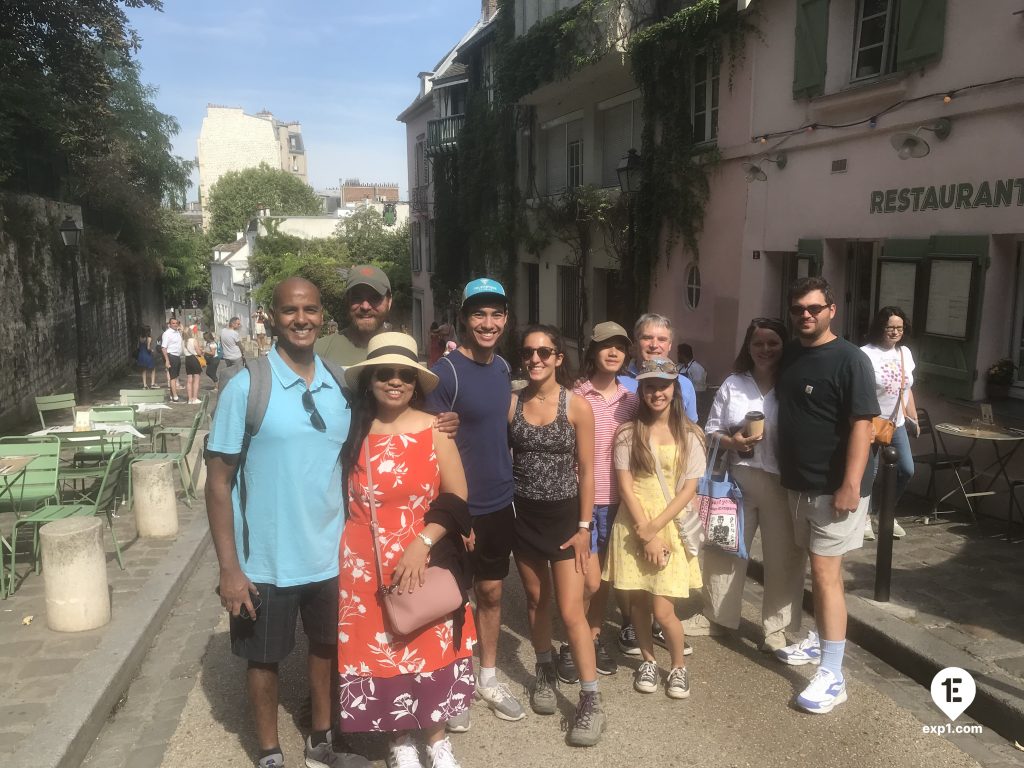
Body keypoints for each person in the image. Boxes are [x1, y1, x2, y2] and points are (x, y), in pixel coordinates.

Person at [204, 277, 369, 768]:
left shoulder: (339, 381)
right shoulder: (246, 386)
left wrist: (439, 420)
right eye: (291, 310)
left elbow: (381, 426)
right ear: (272, 316)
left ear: (323, 316)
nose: (302, 319)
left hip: (329, 553)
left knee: (326, 649)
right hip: (265, 559)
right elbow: (218, 483)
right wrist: (229, 568)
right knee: (264, 659)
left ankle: (322, 740)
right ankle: (270, 752)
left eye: (311, 310)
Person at [338, 333, 475, 768]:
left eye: (404, 375)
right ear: (370, 380)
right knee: (384, 647)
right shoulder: (351, 430)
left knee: (427, 641)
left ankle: (436, 739)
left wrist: (423, 542)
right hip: (363, 560)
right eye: (385, 374)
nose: (395, 382)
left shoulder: (435, 429)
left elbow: (457, 495)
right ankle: (399, 740)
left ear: (416, 382)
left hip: (424, 552)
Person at [424, 278, 526, 728]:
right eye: (479, 314)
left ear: (505, 319)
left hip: (500, 502)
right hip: (460, 506)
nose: (488, 323)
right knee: (454, 599)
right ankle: (456, 681)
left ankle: (487, 675)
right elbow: (428, 442)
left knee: (491, 591)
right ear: (464, 318)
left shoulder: (503, 366)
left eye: (496, 314)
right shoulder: (446, 372)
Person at [774, 276, 878, 715]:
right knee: (814, 567)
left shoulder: (851, 360)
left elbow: (863, 424)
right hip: (799, 483)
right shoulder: (793, 353)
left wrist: (850, 484)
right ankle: (820, 640)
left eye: (814, 308)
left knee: (826, 574)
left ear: (831, 310)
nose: (806, 316)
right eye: (799, 309)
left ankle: (834, 675)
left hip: (834, 487)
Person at [509, 325, 603, 746]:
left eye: (545, 352)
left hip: (566, 523)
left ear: (558, 358)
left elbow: (588, 472)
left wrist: (585, 528)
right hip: (524, 518)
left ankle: (590, 699)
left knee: (570, 611)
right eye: (529, 352)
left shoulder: (577, 406)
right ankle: (544, 672)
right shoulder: (512, 405)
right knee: (536, 600)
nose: (536, 359)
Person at [604, 358, 706, 700]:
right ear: (641, 390)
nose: (656, 392)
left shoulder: (690, 434)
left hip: (670, 524)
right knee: (637, 606)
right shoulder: (628, 433)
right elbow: (625, 486)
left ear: (674, 387)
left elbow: (688, 489)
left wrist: (656, 530)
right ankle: (648, 660)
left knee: (663, 609)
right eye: (649, 385)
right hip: (633, 524)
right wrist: (643, 531)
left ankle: (678, 666)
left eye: (663, 385)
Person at [702, 318, 806, 653]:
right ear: (748, 347)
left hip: (781, 483)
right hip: (737, 481)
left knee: (784, 558)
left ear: (783, 345)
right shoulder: (734, 384)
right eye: (758, 343)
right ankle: (718, 616)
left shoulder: (793, 382)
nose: (765, 350)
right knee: (725, 549)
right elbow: (710, 430)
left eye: (772, 343)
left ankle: (776, 629)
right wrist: (731, 442)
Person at [572, 322, 638, 677]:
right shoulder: (576, 396)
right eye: (605, 346)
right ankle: (574, 637)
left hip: (620, 501)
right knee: (589, 580)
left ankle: (593, 637)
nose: (613, 353)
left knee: (606, 580)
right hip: (585, 501)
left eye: (619, 347)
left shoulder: (632, 399)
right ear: (592, 352)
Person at [861, 306, 918, 541]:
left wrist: (912, 416)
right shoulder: (865, 353)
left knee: (906, 469)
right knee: (869, 473)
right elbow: (858, 390)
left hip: (897, 423)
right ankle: (863, 517)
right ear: (879, 328)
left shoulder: (905, 353)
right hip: (872, 421)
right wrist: (863, 421)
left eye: (900, 328)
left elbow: (907, 389)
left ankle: (885, 512)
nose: (895, 332)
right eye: (890, 327)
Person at [618, 314, 698, 421]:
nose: (654, 345)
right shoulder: (616, 382)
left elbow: (689, 430)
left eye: (662, 339)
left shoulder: (685, 385)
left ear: (670, 345)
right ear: (636, 342)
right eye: (647, 338)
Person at [316, 265, 393, 366]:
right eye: (357, 298)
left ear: (389, 302)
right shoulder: (319, 352)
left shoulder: (403, 351)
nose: (365, 307)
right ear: (347, 300)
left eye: (374, 298)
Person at [161, 317, 184, 402]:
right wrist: (167, 360)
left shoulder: (177, 332)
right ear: (169, 324)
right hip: (171, 355)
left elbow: (183, 330)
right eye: (173, 323)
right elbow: (163, 348)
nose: (175, 325)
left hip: (177, 356)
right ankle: (175, 396)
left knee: (175, 376)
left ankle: (172, 395)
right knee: (173, 377)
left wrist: (180, 327)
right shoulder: (167, 334)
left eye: (176, 323)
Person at [182, 330, 203, 404]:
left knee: (189, 380)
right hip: (194, 359)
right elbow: (198, 352)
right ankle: (195, 398)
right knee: (196, 380)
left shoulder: (183, 341)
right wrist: (201, 351)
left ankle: (189, 399)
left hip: (187, 360)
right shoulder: (193, 340)